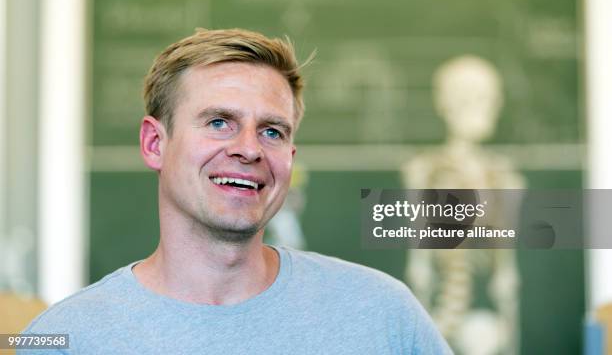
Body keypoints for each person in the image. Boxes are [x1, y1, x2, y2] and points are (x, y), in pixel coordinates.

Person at [20, 28, 451, 354]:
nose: (248, 149)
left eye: (271, 131)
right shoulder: (66, 338)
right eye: (218, 122)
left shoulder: (381, 316)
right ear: (155, 144)